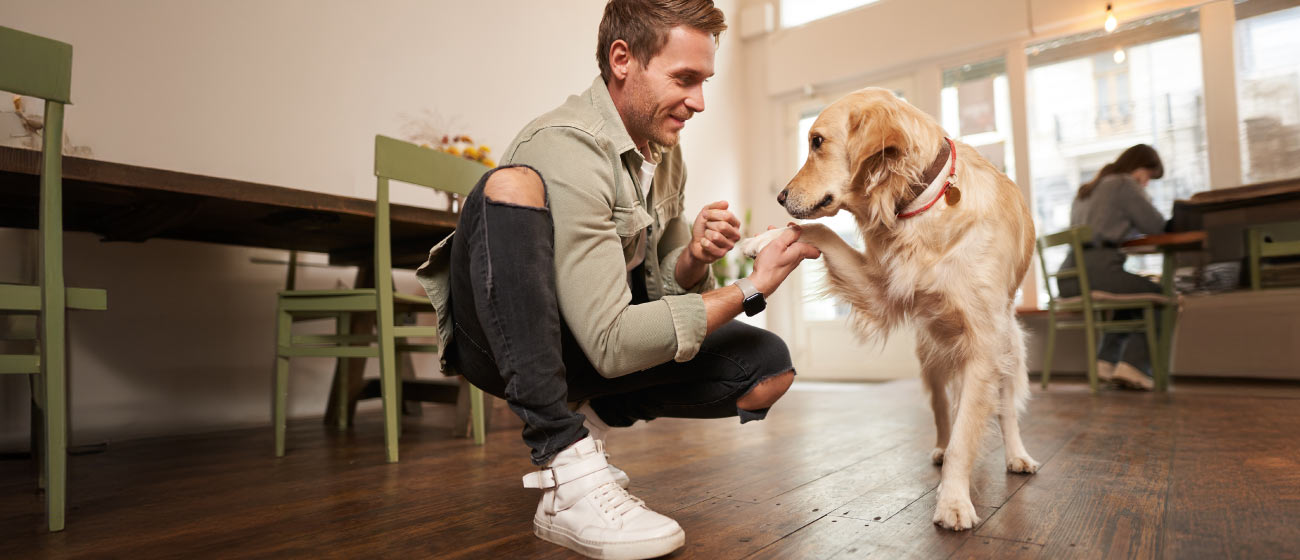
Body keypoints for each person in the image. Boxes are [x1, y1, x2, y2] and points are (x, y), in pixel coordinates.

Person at [416, 1, 820, 558]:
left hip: (590, 343)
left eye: (704, 81)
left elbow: (664, 289)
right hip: (503, 347)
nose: (699, 102)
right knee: (508, 185)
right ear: (622, 59)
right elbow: (611, 342)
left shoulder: (664, 151)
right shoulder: (566, 145)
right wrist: (751, 288)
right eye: (684, 79)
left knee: (766, 368)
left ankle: (592, 410)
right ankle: (564, 464)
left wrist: (696, 256)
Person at [1057, 143, 1168, 391]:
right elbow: (1156, 225)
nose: (1146, 183)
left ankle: (1106, 364)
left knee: (1131, 298)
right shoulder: (1122, 184)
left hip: (1068, 276)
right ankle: (1135, 367)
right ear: (1136, 166)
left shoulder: (1086, 189)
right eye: (1147, 175)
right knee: (1161, 294)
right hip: (1098, 270)